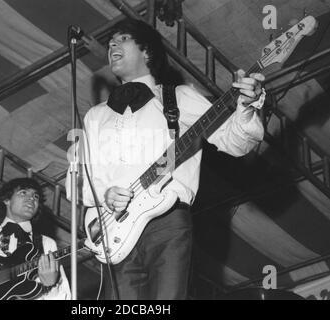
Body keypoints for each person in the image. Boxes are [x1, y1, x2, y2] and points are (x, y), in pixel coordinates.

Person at [66, 19, 265, 300]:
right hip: (115, 230)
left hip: (167, 221)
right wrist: (105, 194)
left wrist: (246, 107)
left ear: (147, 52)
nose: (112, 44)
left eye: (122, 38)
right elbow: (79, 178)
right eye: (110, 41)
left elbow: (235, 143)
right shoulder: (96, 115)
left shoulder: (180, 97)